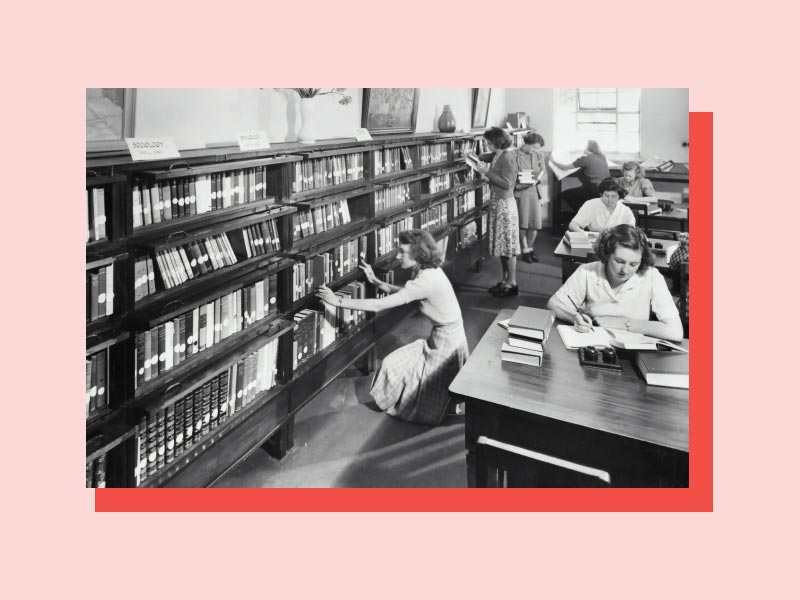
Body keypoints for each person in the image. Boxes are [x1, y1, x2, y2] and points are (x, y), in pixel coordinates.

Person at [316, 229, 469, 425]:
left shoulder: (426, 279)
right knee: (400, 369)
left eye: (402, 251)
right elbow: (408, 292)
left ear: (418, 253)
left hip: (447, 343)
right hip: (445, 335)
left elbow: (379, 305)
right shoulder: (428, 271)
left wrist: (337, 302)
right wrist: (377, 282)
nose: (398, 256)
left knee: (428, 394)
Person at [546, 224, 683, 342]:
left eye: (633, 264)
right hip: (592, 343)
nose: (625, 270)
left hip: (634, 351)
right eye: (619, 261)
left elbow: (675, 332)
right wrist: (574, 317)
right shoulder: (588, 272)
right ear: (606, 254)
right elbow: (554, 304)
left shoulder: (652, 276)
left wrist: (623, 323)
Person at [467, 127, 521, 297]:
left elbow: (507, 183)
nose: (486, 144)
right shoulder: (497, 154)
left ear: (496, 142)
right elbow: (486, 157)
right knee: (503, 247)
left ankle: (512, 283)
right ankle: (505, 280)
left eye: (488, 142)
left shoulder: (508, 157)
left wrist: (486, 172)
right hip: (498, 204)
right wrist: (472, 157)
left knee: (509, 248)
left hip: (505, 206)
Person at [550, 139, 611, 213]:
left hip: (594, 189)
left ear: (587, 148)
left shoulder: (585, 159)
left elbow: (564, 168)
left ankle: (582, 214)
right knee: (582, 194)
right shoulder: (602, 156)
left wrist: (553, 161)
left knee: (564, 195)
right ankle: (585, 213)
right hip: (605, 188)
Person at [514, 132, 546, 263]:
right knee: (523, 223)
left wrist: (538, 180)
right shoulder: (515, 155)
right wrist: (520, 183)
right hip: (521, 191)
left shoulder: (538, 154)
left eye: (538, 148)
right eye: (533, 147)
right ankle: (525, 250)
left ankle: (531, 248)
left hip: (534, 190)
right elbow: (512, 174)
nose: (535, 150)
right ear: (526, 143)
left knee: (535, 223)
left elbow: (543, 170)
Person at [568, 177, 636, 232]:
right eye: (606, 195)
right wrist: (582, 233)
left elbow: (630, 231)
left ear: (619, 196)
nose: (609, 200)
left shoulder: (625, 210)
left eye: (613, 196)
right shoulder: (591, 204)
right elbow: (573, 224)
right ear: (601, 194)